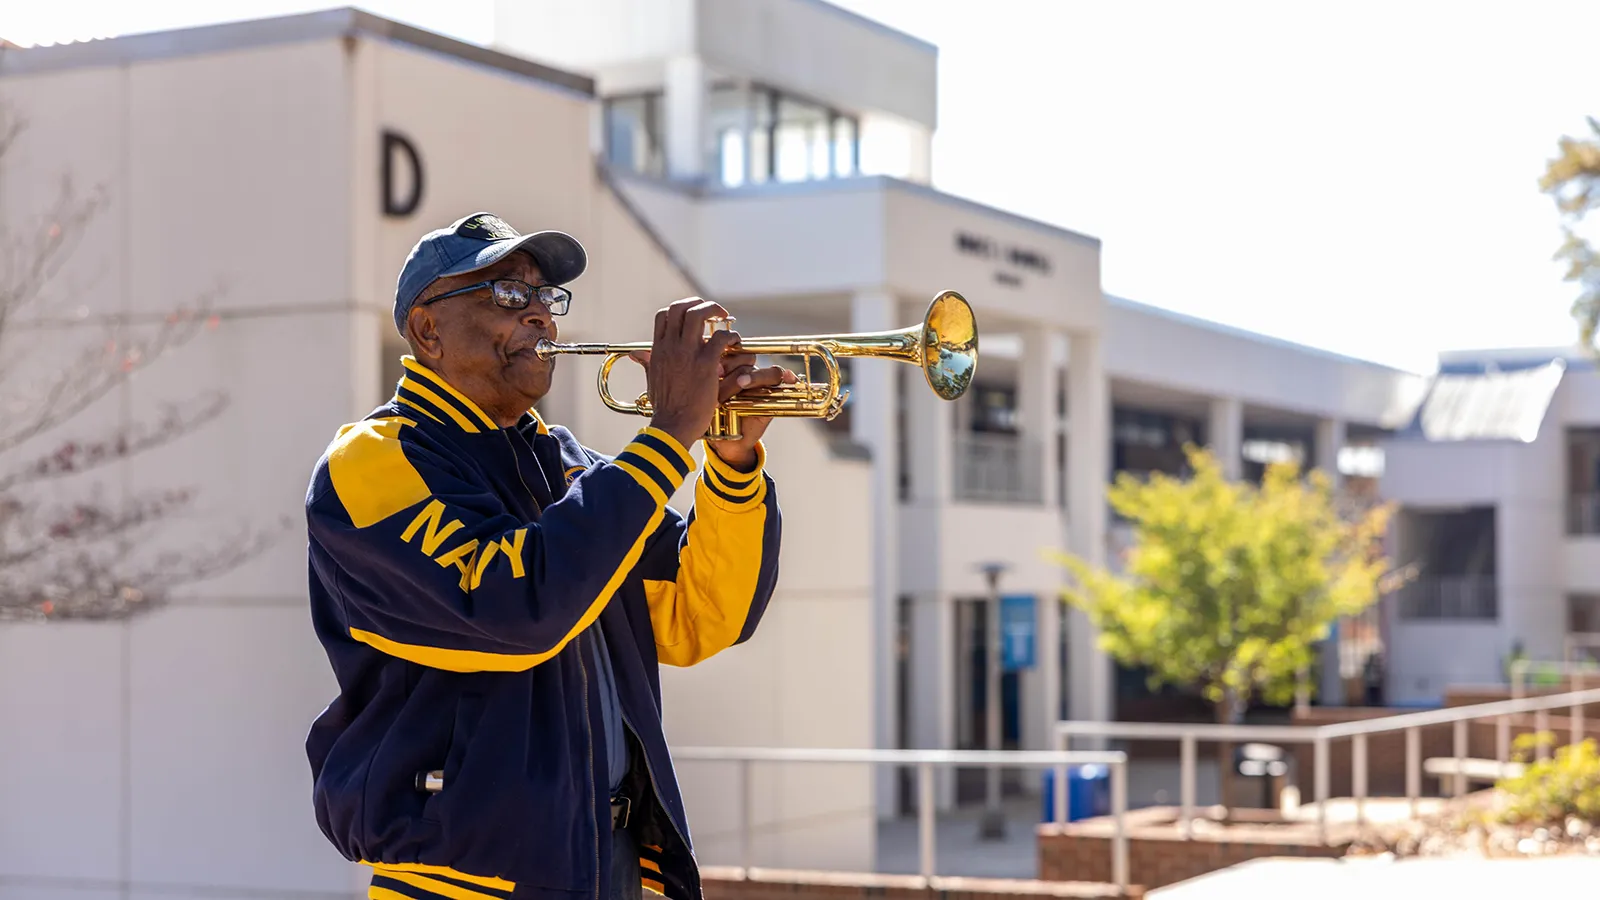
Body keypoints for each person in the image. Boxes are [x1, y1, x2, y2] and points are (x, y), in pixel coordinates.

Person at [302, 211, 790, 900]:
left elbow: (701, 615)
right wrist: (670, 434)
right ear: (426, 331)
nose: (540, 317)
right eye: (507, 295)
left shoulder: (569, 465)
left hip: (600, 864)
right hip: (460, 881)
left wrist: (732, 462)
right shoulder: (371, 460)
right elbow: (513, 607)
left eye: (545, 298)